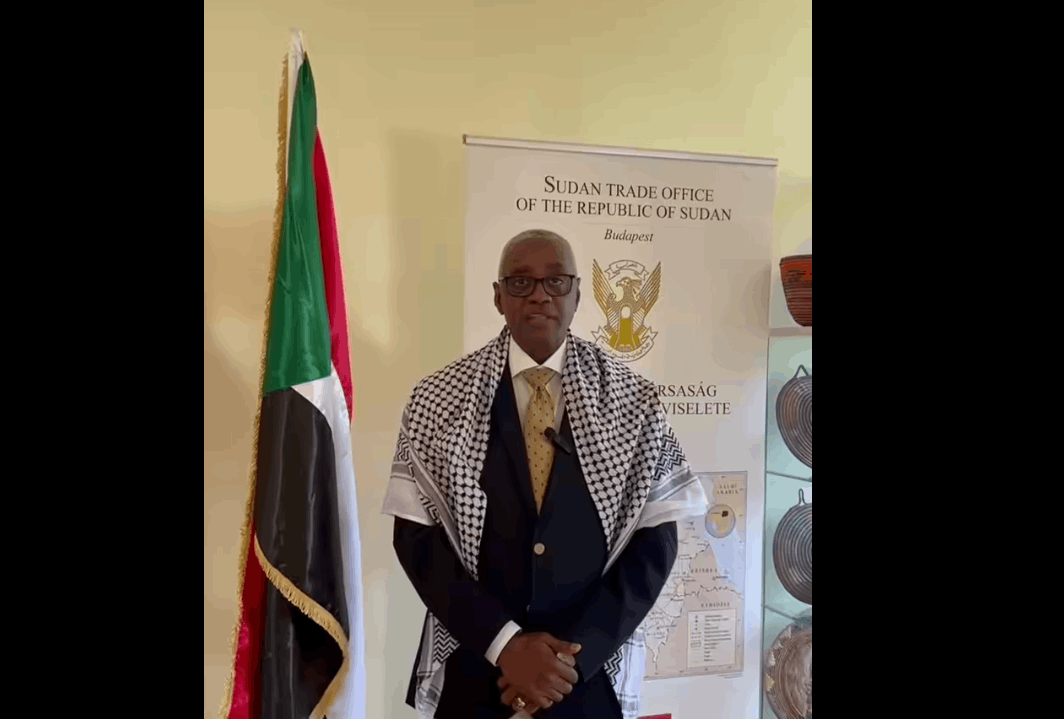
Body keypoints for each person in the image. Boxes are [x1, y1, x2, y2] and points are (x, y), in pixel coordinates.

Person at [382, 229, 708, 719]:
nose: (539, 295)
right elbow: (417, 542)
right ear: (498, 297)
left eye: (556, 281)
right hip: (476, 672)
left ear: (577, 295)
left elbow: (653, 547)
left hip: (587, 680)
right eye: (520, 282)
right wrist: (506, 646)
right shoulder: (436, 399)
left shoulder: (636, 402)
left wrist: (568, 663)